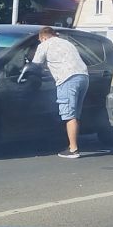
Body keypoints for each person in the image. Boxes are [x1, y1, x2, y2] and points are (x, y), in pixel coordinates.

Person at [29, 26, 89, 159]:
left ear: (43, 37)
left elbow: (35, 64)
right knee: (75, 114)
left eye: (40, 40)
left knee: (69, 114)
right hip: (83, 76)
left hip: (67, 78)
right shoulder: (67, 43)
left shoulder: (45, 44)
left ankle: (73, 149)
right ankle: (72, 145)